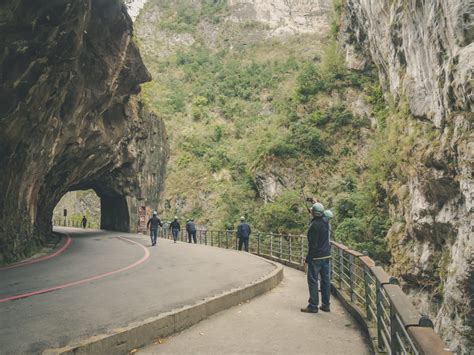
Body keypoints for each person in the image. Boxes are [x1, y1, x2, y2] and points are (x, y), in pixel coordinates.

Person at [301, 202, 331, 313]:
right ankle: (326, 304)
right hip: (326, 255)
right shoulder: (326, 222)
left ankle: (313, 306)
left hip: (316, 258)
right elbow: (321, 216)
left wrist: (308, 259)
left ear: (313, 213)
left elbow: (312, 245)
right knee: (325, 280)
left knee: (313, 281)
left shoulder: (314, 226)